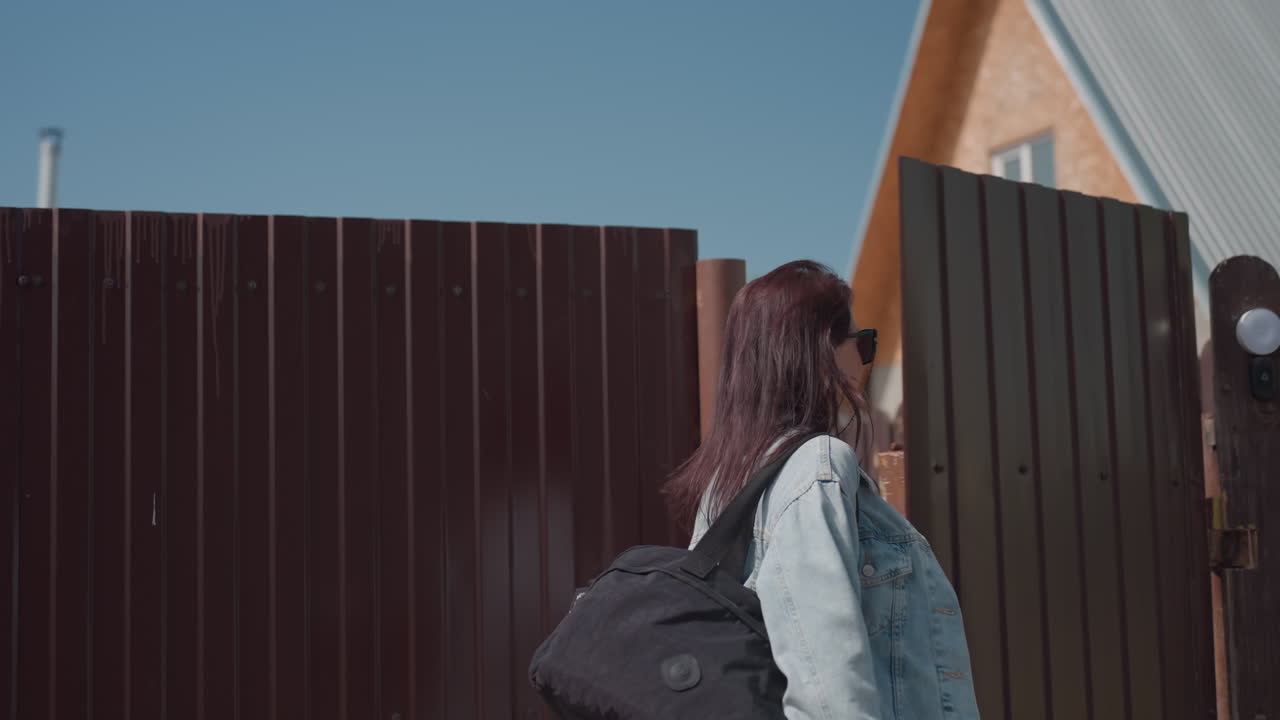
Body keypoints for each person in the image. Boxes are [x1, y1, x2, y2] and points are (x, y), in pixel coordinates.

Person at [664, 260, 981, 719]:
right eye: (863, 342)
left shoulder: (724, 479)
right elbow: (828, 681)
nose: (865, 360)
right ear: (820, 350)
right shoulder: (817, 465)